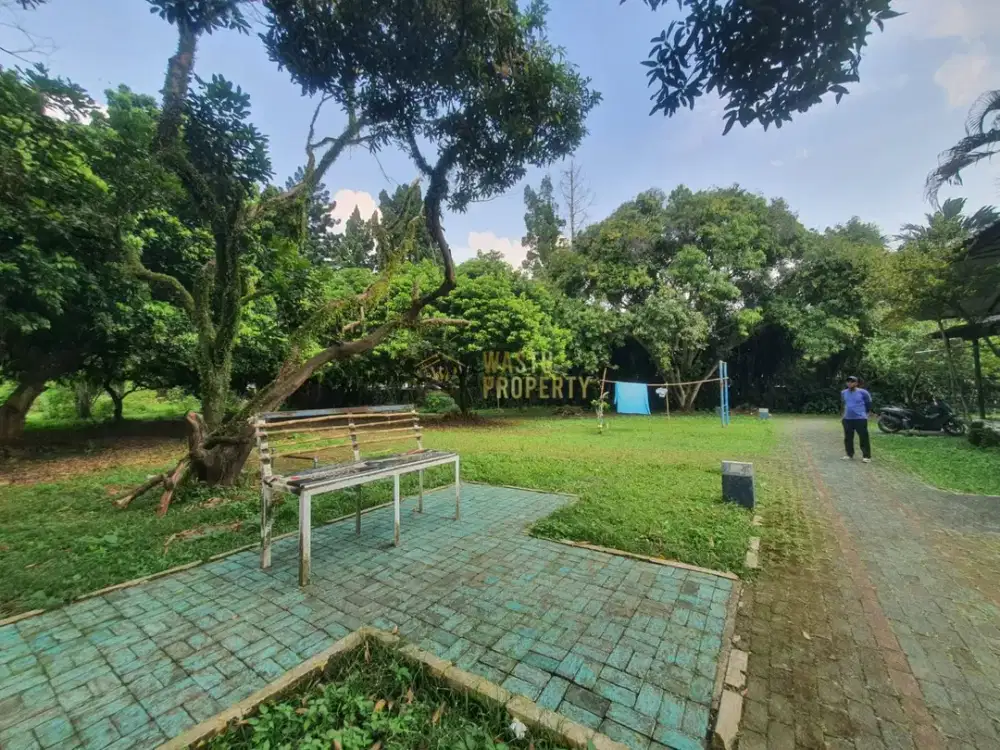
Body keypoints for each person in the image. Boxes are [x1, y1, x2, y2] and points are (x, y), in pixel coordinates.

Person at [841, 376, 872, 462]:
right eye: (848, 381)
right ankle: (849, 454)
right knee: (848, 437)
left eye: (852, 381)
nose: (850, 383)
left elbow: (868, 404)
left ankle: (866, 456)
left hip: (860, 418)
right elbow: (843, 404)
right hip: (847, 419)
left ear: (856, 383)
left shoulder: (863, 392)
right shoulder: (843, 392)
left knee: (863, 437)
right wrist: (843, 416)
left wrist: (865, 414)